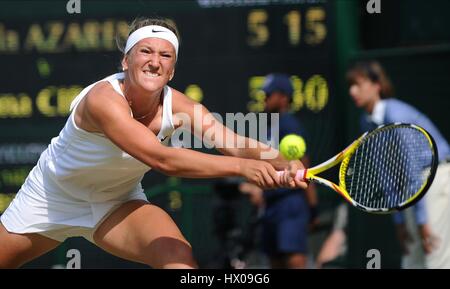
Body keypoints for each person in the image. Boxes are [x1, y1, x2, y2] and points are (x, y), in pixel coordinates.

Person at [0, 17, 308, 269]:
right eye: (145, 51)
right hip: (50, 199)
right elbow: (162, 159)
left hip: (117, 203)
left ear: (172, 70)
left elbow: (234, 142)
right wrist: (245, 168)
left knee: (179, 261)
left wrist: (280, 159)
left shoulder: (184, 108)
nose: (154, 62)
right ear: (126, 61)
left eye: (165, 56)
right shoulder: (102, 100)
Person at [346, 60, 450, 268]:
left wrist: (422, 222)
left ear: (377, 86)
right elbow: (387, 174)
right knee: (411, 258)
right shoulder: (366, 121)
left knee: (434, 256)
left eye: (358, 84)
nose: (352, 91)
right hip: (412, 186)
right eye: (350, 85)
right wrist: (399, 220)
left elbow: (411, 168)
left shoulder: (396, 115)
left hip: (435, 177)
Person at [240, 73, 318, 269]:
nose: (265, 99)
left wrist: (313, 207)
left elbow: (304, 166)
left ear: (284, 97)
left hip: (290, 202)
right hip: (271, 204)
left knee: (294, 259)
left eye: (269, 94)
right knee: (274, 261)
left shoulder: (289, 124)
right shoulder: (269, 126)